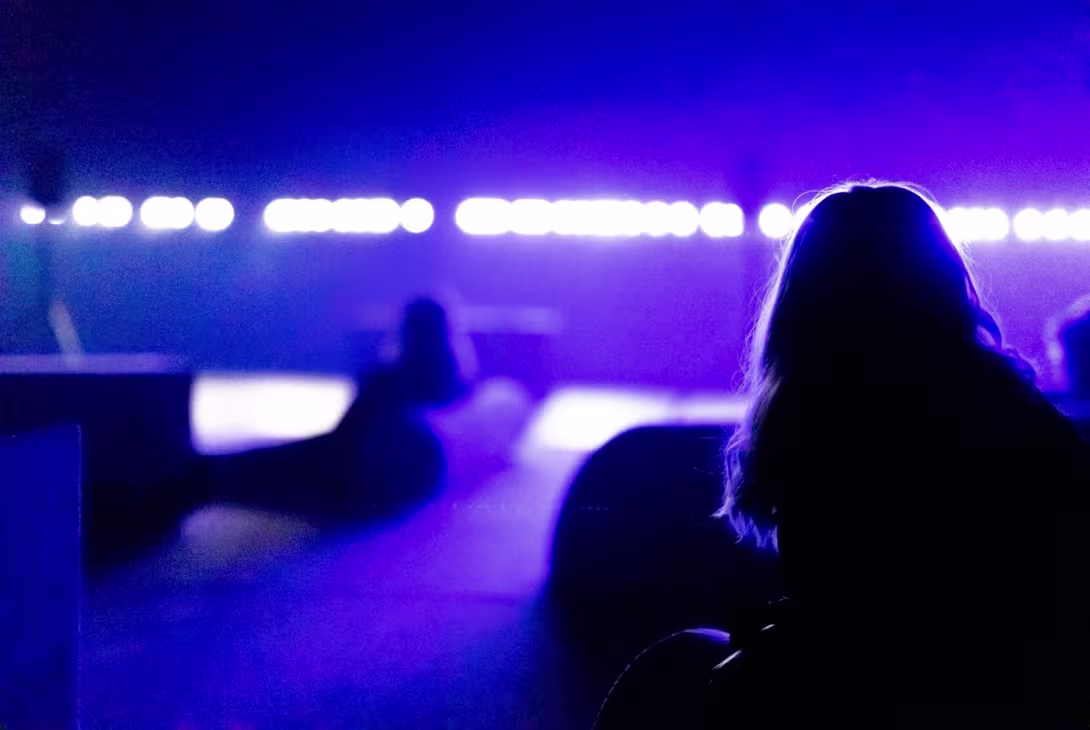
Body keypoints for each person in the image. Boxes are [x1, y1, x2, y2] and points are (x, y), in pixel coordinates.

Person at [597, 183, 1090, 728]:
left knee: (670, 673)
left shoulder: (818, 419)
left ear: (805, 295)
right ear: (942, 281)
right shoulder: (1008, 404)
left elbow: (865, 617)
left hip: (917, 684)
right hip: (1023, 681)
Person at [204, 296, 476, 522]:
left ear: (407, 331)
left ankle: (207, 475)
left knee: (271, 465)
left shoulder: (390, 381)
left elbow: (343, 437)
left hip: (349, 465)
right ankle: (210, 474)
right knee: (272, 464)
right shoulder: (456, 380)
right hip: (362, 465)